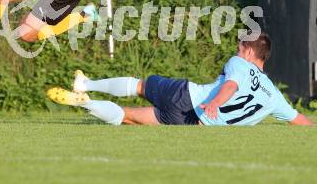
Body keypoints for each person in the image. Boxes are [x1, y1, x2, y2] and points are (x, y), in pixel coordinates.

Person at [47, 33, 313, 126]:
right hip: (194, 122)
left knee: (140, 85)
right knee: (128, 117)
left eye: (240, 46)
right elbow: (300, 121)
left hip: (187, 96)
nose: (236, 50)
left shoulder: (240, 64)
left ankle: (86, 85)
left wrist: (215, 102)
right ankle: (86, 103)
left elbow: (231, 86)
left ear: (251, 51)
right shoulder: (273, 95)